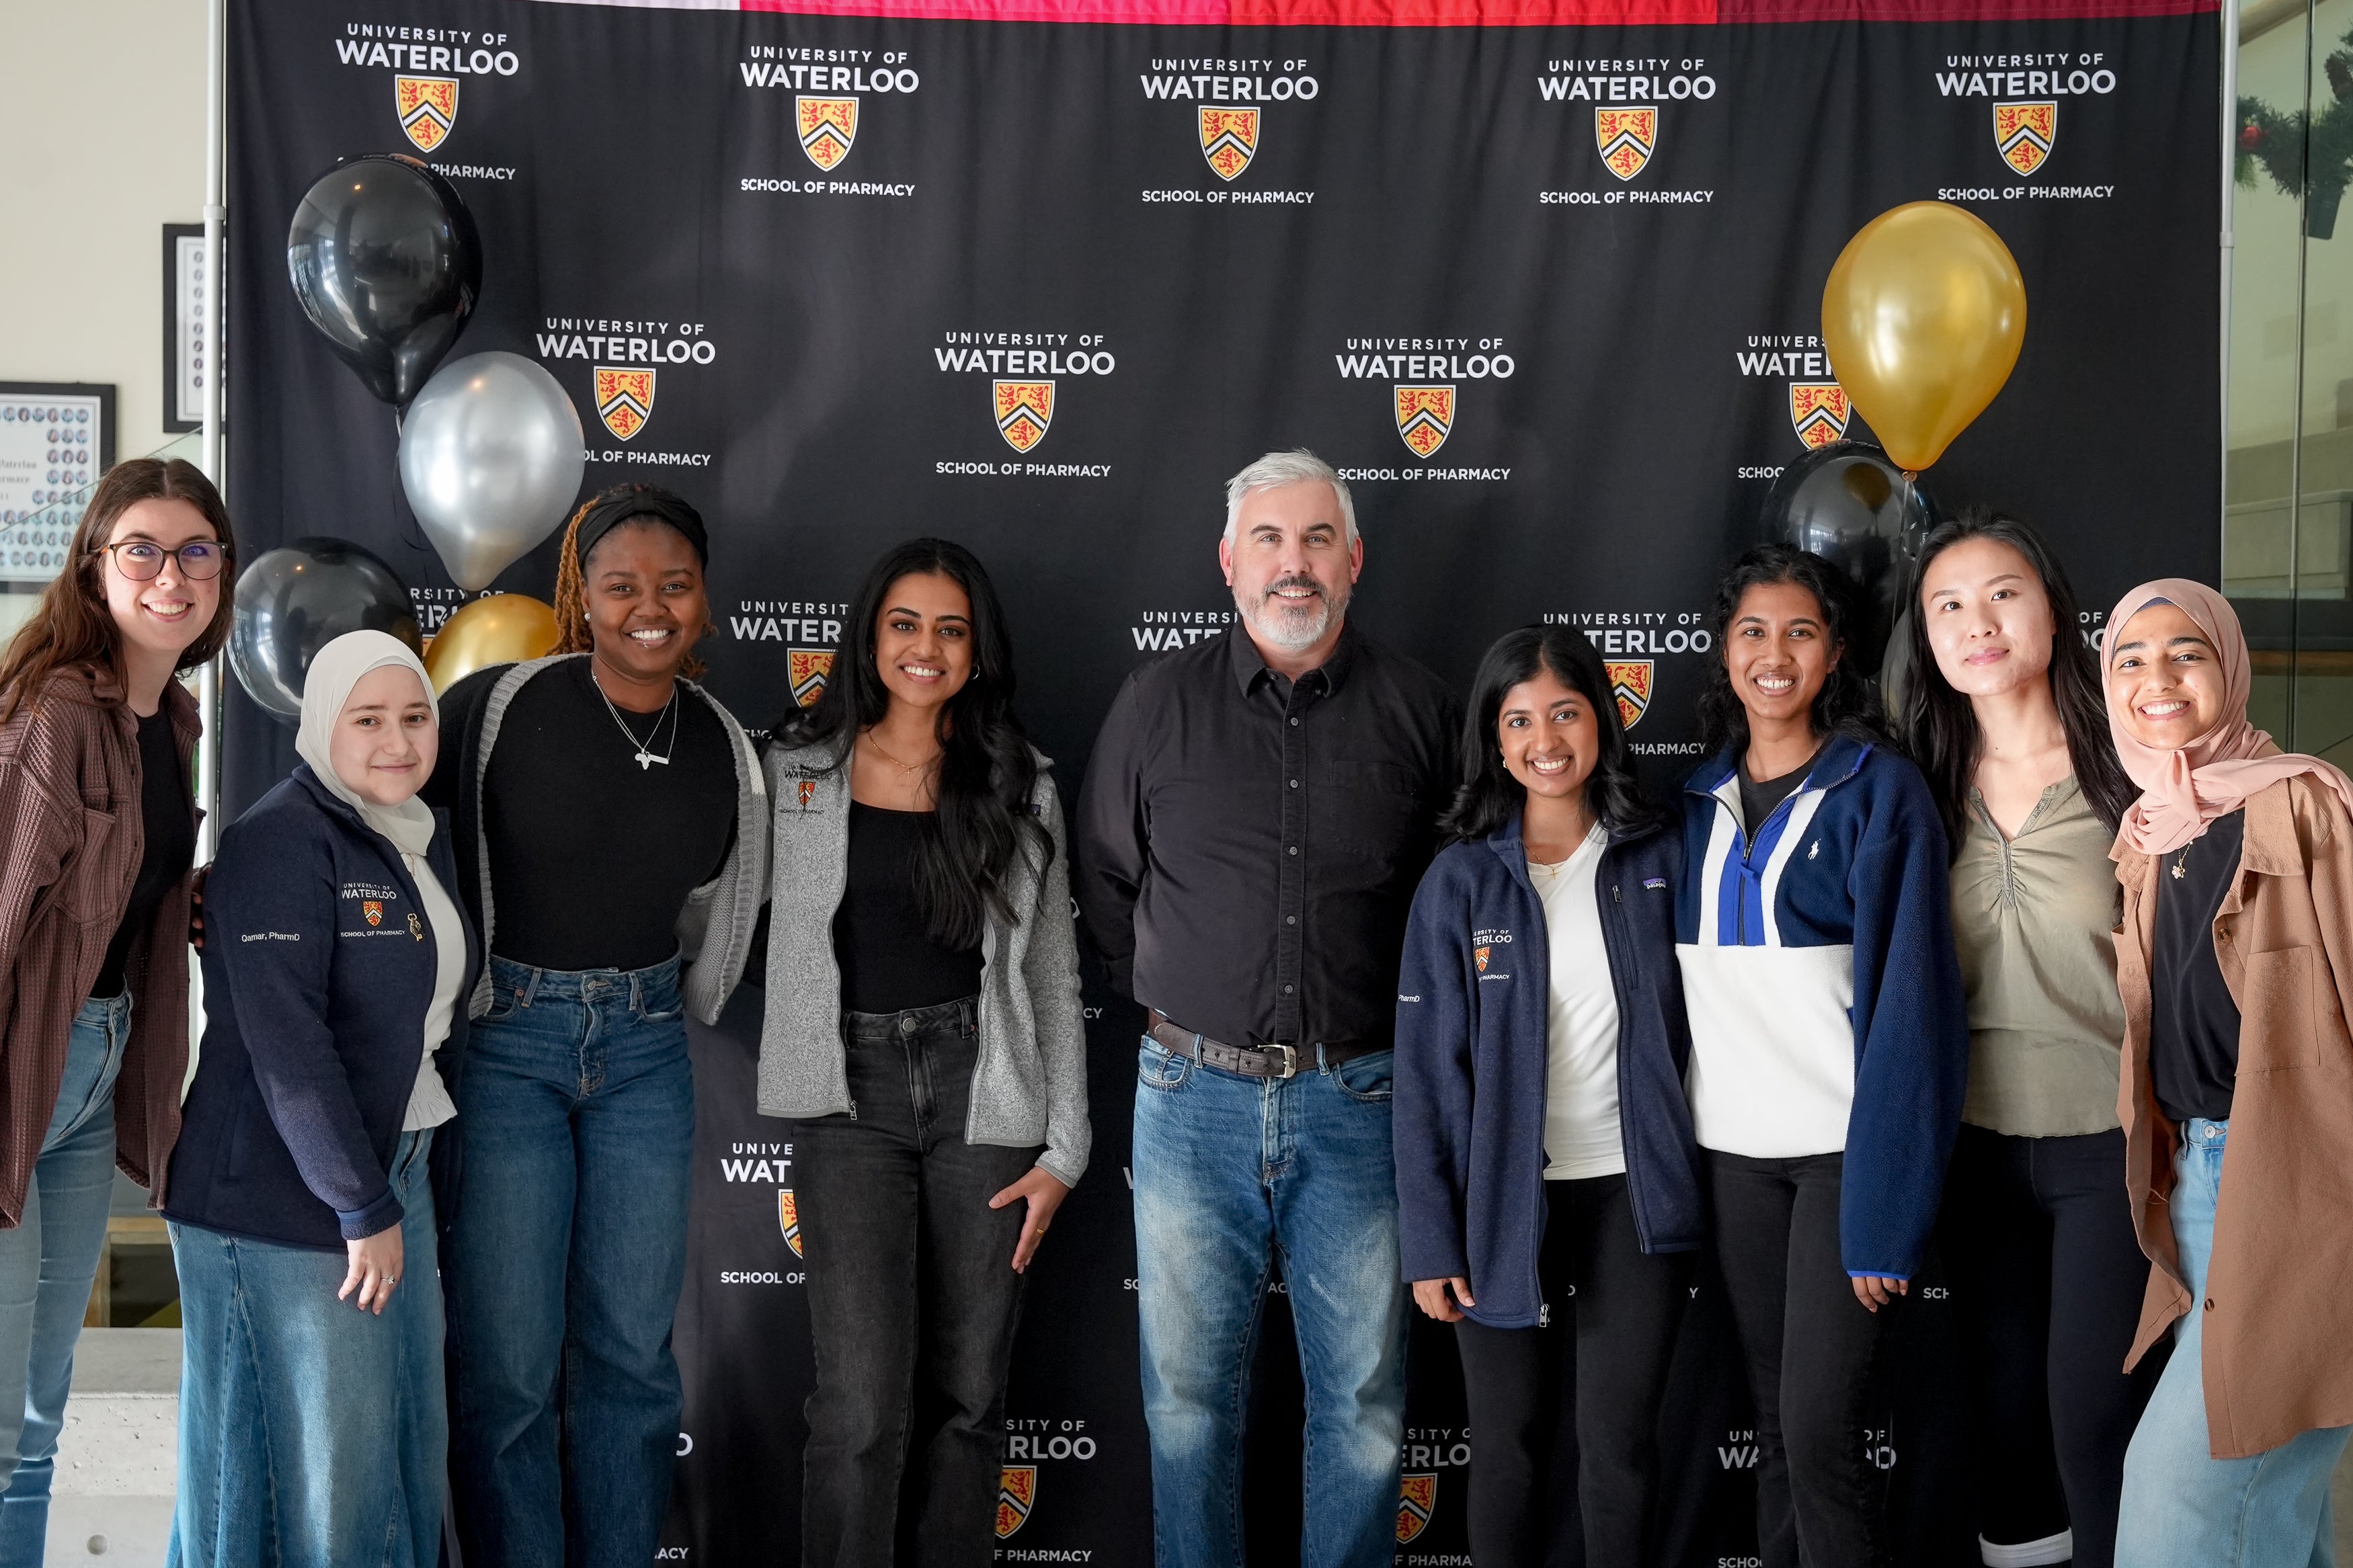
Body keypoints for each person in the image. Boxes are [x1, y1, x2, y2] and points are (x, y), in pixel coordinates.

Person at [1076, 448, 1458, 1568]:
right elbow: (1106, 884)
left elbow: (1453, 908)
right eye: (1271, 542)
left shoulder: (1421, 711)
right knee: (1188, 1403)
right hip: (1191, 1099)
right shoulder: (1155, 705)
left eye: (1317, 540)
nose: (1294, 566)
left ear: (1355, 562)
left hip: (1362, 1098)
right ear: (1229, 564)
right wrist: (1180, 1003)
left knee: (1366, 1403)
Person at [422, 483, 768, 1568]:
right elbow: (373, 802)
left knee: (631, 1361)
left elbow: (724, 906)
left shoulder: (726, 747)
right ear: (582, 596)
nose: (649, 606)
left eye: (675, 584)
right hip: (508, 1046)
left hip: (647, 1052)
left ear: (706, 601)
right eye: (621, 585)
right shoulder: (498, 707)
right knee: (510, 1370)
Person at [759, 538, 1088, 1567]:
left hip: (983, 1097)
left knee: (970, 1398)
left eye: (951, 628)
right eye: (905, 623)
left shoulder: (1019, 782)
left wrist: (1066, 1147)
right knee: (857, 1407)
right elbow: (719, 916)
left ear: (978, 649)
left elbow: (1052, 974)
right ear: (870, 633)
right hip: (845, 1098)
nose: (926, 647)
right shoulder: (798, 771)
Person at [1673, 543, 1966, 1568]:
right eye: (1753, 631)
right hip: (1735, 1165)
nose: (1775, 654)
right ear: (1724, 650)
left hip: (1846, 1168)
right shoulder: (1692, 802)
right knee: (1775, 1435)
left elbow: (1915, 1015)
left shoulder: (1879, 792)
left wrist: (1889, 1217)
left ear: (1836, 650)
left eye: (1800, 631)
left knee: (1820, 1436)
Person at [1393, 625, 1704, 1568]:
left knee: (1620, 1451)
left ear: (1602, 723)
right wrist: (1433, 1239)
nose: (1546, 738)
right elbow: (1424, 1075)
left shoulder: (1661, 857)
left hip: (1631, 1196)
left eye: (1565, 711)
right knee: (1510, 1454)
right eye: (1519, 719)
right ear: (1495, 739)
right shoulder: (1459, 883)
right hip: (1499, 1204)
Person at [165, 631, 475, 1566]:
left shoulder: (406, 836)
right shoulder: (281, 838)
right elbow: (289, 1046)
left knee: (396, 1460)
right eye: (368, 719)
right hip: (285, 1199)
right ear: (319, 727)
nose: (397, 740)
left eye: (415, 717)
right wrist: (359, 1200)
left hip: (392, 1170)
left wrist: (383, 1193)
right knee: (312, 1484)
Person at [1897, 513, 2159, 1568]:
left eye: (2003, 593)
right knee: (2004, 1425)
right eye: (1948, 605)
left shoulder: (2133, 764)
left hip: (2108, 1142)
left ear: (2054, 608)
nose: (1979, 623)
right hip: (1972, 1151)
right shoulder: (1912, 779)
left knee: (2093, 1419)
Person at [0, 457, 229, 1563]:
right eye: (141, 548)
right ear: (96, 568)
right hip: (17, 1071)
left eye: (196, 551)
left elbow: (110, 884)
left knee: (44, 1406)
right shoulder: (53, 714)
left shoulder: (172, 722)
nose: (170, 574)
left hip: (93, 1075)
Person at [2100, 581, 2353, 1568]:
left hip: (2303, 1186)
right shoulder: (2151, 829)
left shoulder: (2299, 802)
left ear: (2231, 669)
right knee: (2274, 1506)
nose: (2157, 678)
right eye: (2131, 659)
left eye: (2186, 653)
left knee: (2184, 1507)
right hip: (2199, 1187)